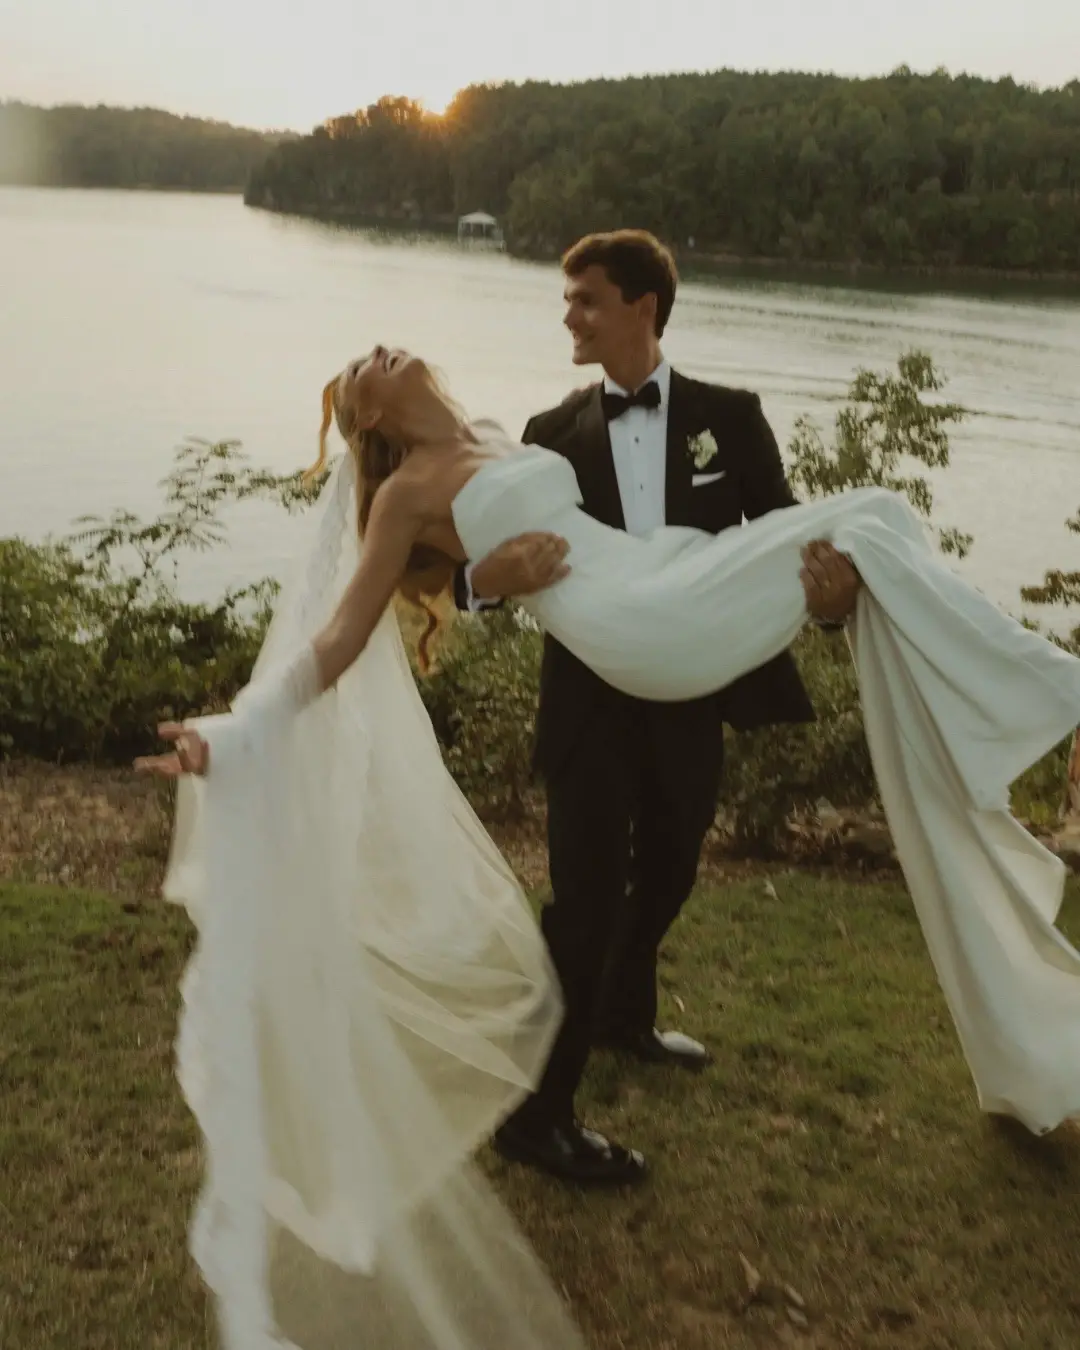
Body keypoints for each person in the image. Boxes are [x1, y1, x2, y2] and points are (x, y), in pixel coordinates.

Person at [142, 344, 1080, 1350]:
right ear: (370, 420)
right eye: (359, 367)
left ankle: (1017, 709)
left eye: (379, 345)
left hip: (662, 570)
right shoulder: (407, 492)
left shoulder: (510, 430)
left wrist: (830, 596)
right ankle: (1052, 694)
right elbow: (336, 639)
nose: (378, 351)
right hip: (629, 621)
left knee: (881, 522)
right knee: (589, 893)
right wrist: (241, 729)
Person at [447, 229, 860, 1184]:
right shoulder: (548, 436)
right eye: (568, 299)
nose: (569, 316)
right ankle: (539, 1115)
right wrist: (483, 584)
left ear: (644, 306)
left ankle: (622, 1016)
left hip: (691, 698)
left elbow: (787, 547)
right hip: (588, 705)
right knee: (583, 902)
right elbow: (488, 567)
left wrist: (833, 605)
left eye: (586, 298)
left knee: (671, 869)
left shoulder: (732, 416)